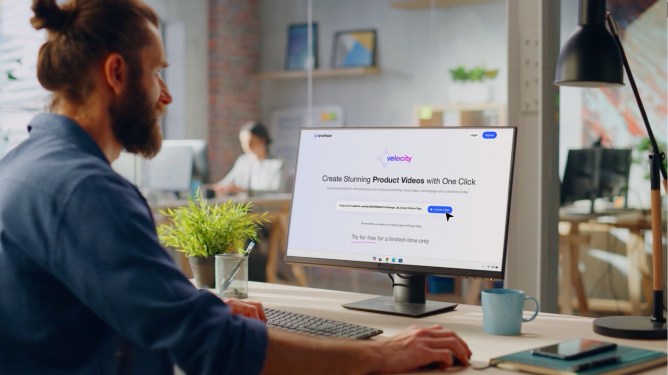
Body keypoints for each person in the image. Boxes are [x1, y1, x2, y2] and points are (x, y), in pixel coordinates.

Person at [0, 0, 472, 374]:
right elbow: (214, 347)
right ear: (117, 74)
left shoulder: (27, 166)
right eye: (157, 73)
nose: (165, 96)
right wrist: (381, 356)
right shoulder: (84, 192)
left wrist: (196, 304)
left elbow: (85, 308)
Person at [212, 121, 284, 196]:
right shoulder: (243, 161)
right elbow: (227, 182)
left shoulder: (277, 164)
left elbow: (277, 191)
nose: (247, 146)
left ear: (262, 140)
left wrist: (244, 190)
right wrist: (218, 188)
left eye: (251, 142)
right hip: (243, 206)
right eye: (243, 142)